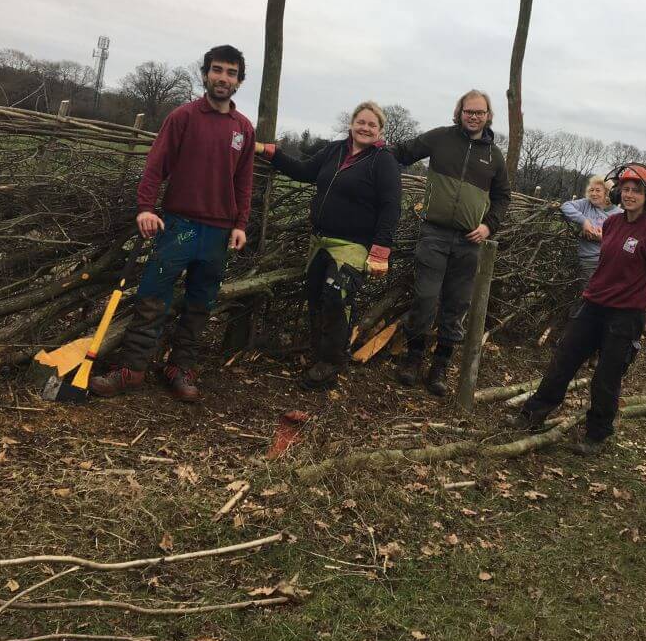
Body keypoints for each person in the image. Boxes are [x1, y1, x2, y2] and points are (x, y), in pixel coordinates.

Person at [90, 45, 255, 403]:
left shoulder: (243, 128)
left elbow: (244, 181)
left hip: (219, 232)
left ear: (239, 81)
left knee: (200, 303)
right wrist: (145, 208)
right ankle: (132, 369)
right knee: (152, 297)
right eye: (217, 70)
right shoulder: (183, 117)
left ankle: (180, 369)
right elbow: (156, 166)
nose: (223, 77)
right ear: (205, 74)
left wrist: (240, 223)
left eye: (230, 72)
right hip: (178, 225)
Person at [506, 164, 646, 456]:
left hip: (625, 315)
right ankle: (531, 416)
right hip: (593, 304)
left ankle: (597, 433)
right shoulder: (611, 224)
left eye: (637, 191)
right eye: (626, 190)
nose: (631, 195)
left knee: (606, 376)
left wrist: (633, 297)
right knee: (564, 361)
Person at [254, 103, 402, 390]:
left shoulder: (383, 161)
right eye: (361, 121)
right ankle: (318, 353)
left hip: (353, 245)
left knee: (337, 299)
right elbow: (303, 171)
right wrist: (269, 151)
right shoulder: (335, 150)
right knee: (315, 297)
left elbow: (391, 207)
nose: (365, 128)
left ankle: (332, 363)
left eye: (372, 125)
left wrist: (381, 251)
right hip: (321, 240)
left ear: (380, 131)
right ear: (352, 123)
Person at [392, 90, 512, 397]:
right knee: (425, 297)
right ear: (459, 112)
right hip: (434, 232)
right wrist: (369, 151)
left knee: (457, 304)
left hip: (469, 242)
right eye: (468, 111)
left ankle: (441, 365)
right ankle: (413, 357)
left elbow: (502, 198)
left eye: (479, 112)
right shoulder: (440, 139)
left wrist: (488, 226)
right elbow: (400, 153)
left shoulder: (494, 156)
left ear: (488, 115)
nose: (473, 116)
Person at [560, 175, 622, 282]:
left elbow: (622, 241)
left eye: (598, 190)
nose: (593, 193)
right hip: (588, 261)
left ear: (607, 193)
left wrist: (603, 239)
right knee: (588, 292)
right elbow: (565, 206)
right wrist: (584, 221)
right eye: (591, 190)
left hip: (610, 262)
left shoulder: (619, 214)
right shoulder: (586, 204)